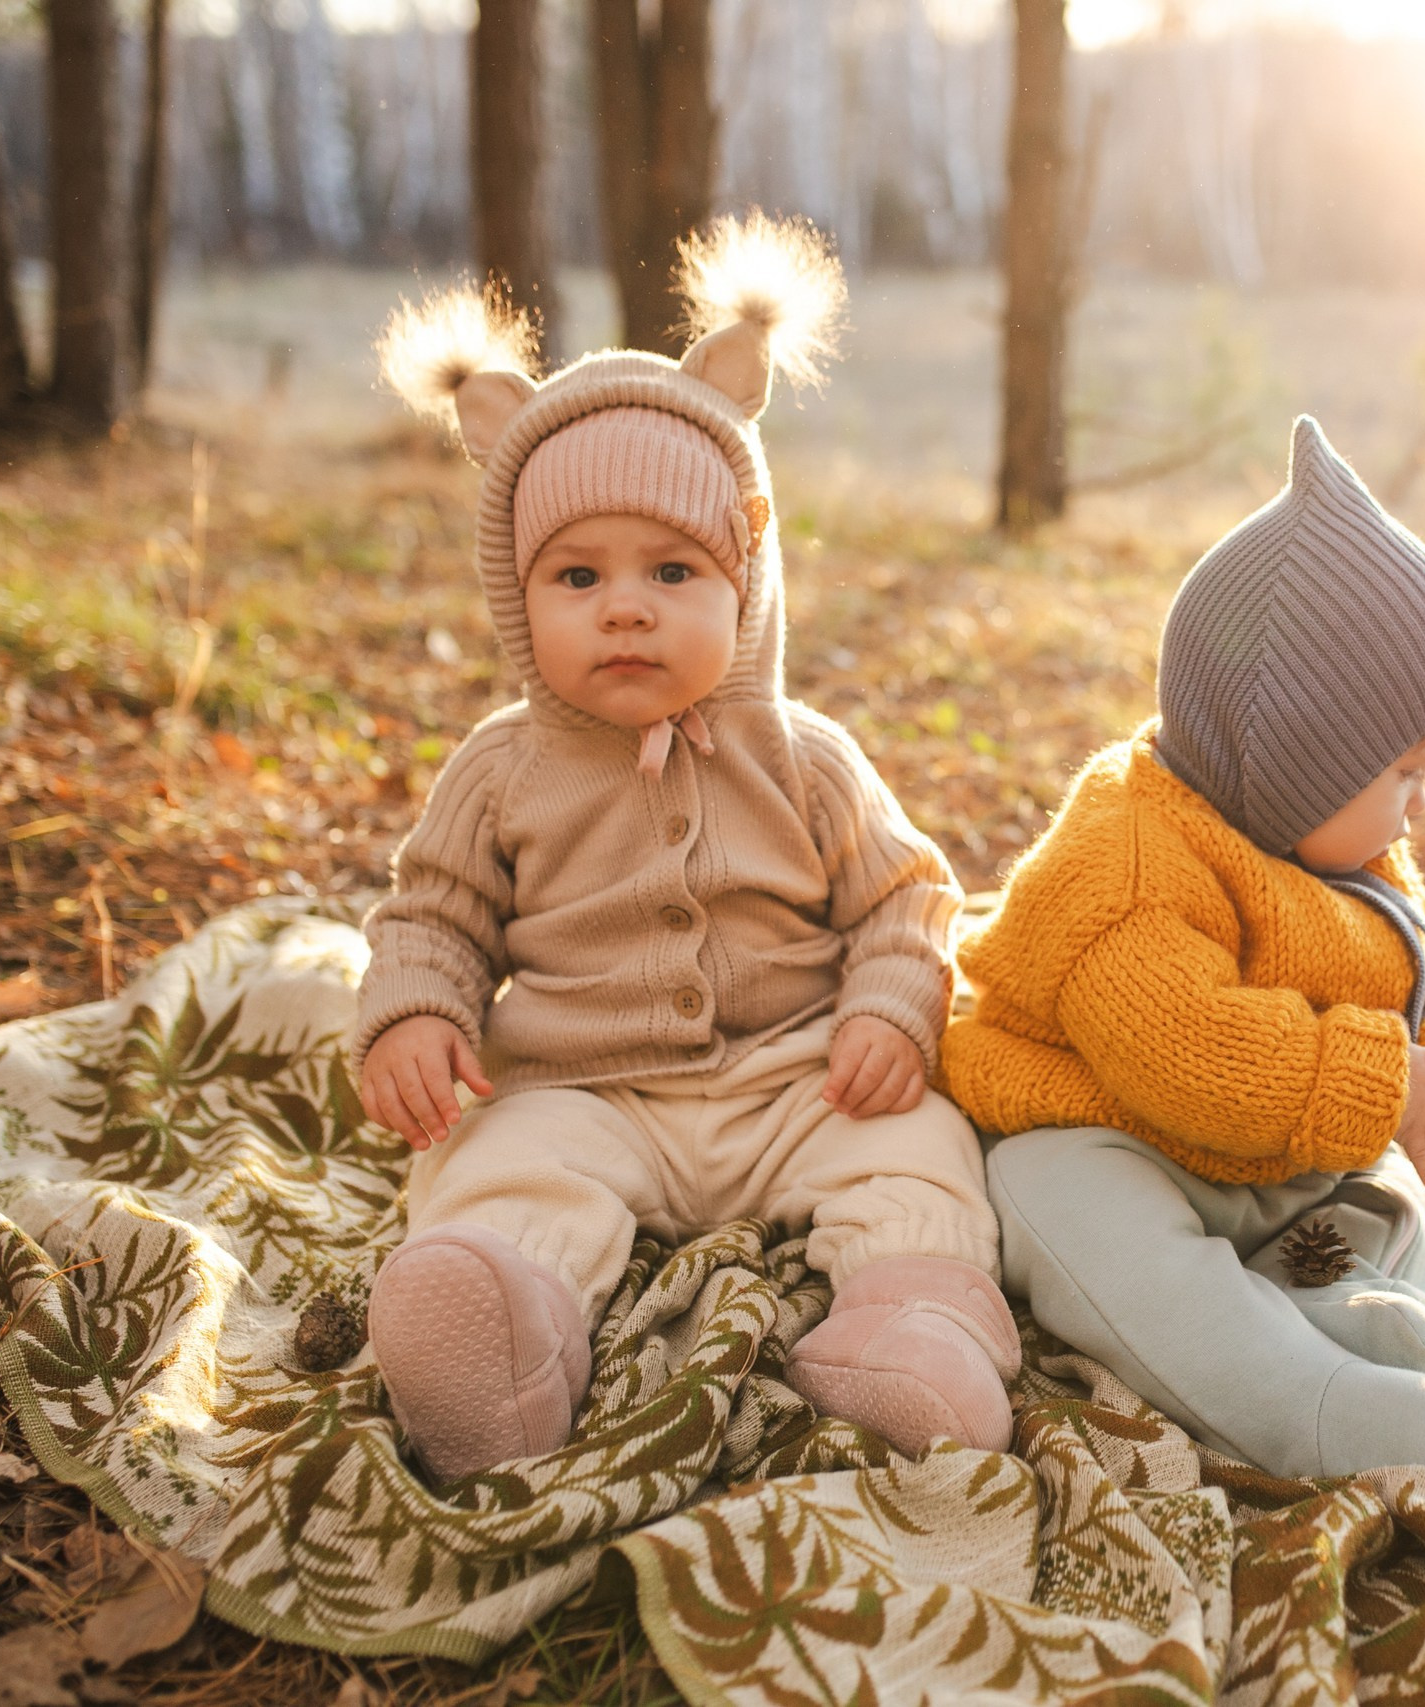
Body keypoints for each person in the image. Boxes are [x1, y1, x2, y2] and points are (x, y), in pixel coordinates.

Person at [353, 214, 1016, 1483]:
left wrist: (890, 1008)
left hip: (796, 1082)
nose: (627, 606)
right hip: (584, 1092)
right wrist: (411, 1016)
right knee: (501, 1171)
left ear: (748, 578)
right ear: (515, 595)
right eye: (576, 578)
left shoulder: (806, 756)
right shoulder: (503, 767)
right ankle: (499, 1333)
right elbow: (431, 914)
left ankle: (910, 1324)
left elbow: (907, 898)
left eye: (671, 567)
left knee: (919, 1150)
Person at [944, 416, 1425, 1480]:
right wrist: (1376, 1078)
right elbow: (1186, 1052)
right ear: (1303, 757)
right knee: (1082, 1221)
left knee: (1398, 1191)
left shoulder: (1336, 846)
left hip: (1281, 1152)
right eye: (1403, 773)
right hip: (1111, 1130)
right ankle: (1295, 1399)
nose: (1421, 802)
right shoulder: (1122, 860)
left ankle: (1345, 1301)